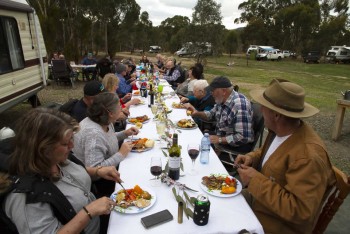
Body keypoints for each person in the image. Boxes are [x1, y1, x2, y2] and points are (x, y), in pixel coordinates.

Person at [235, 79, 336, 234]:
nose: (260, 109)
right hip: (260, 203)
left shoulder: (308, 157)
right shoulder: (280, 131)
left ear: (276, 115)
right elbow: (268, 154)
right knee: (214, 203)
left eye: (264, 107)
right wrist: (252, 157)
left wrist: (255, 180)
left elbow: (301, 212)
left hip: (273, 224)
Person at [0, 108, 121, 234]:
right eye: (65, 143)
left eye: (71, 140)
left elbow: (71, 173)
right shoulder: (25, 197)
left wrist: (97, 171)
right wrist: (89, 212)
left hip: (101, 222)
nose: (71, 146)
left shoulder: (58, 157)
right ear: (43, 149)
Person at [72, 92, 138, 196]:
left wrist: (124, 133)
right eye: (119, 106)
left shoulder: (104, 121)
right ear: (110, 113)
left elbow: (107, 140)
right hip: (98, 185)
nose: (121, 108)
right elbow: (95, 171)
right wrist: (121, 154)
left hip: (108, 173)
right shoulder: (94, 134)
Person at [188, 76, 254, 151]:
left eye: (213, 90)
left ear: (223, 91)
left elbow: (244, 137)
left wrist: (220, 140)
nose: (211, 93)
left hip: (236, 146)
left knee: (199, 148)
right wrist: (196, 113)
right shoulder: (221, 100)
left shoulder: (239, 105)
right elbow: (210, 115)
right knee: (194, 138)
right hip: (221, 135)